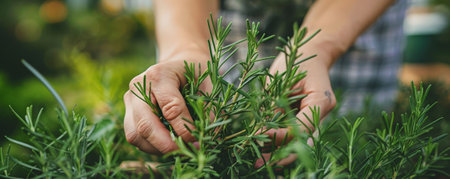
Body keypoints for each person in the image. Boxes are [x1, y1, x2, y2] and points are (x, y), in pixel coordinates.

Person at [123, 0, 407, 160]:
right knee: (215, 136)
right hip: (233, 13)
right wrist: (185, 49)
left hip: (354, 15)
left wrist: (320, 45)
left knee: (349, 144)